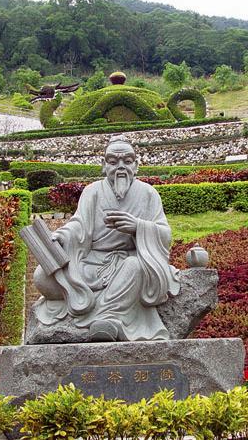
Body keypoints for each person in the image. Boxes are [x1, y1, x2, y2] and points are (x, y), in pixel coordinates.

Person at [32, 135, 180, 342]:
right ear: (103, 165)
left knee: (135, 267)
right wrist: (61, 236)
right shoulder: (92, 192)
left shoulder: (148, 194)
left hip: (128, 264)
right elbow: (79, 225)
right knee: (42, 275)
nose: (120, 167)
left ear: (136, 165)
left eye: (127, 161)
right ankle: (94, 310)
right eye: (113, 161)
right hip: (92, 263)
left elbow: (165, 234)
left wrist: (138, 227)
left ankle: (107, 318)